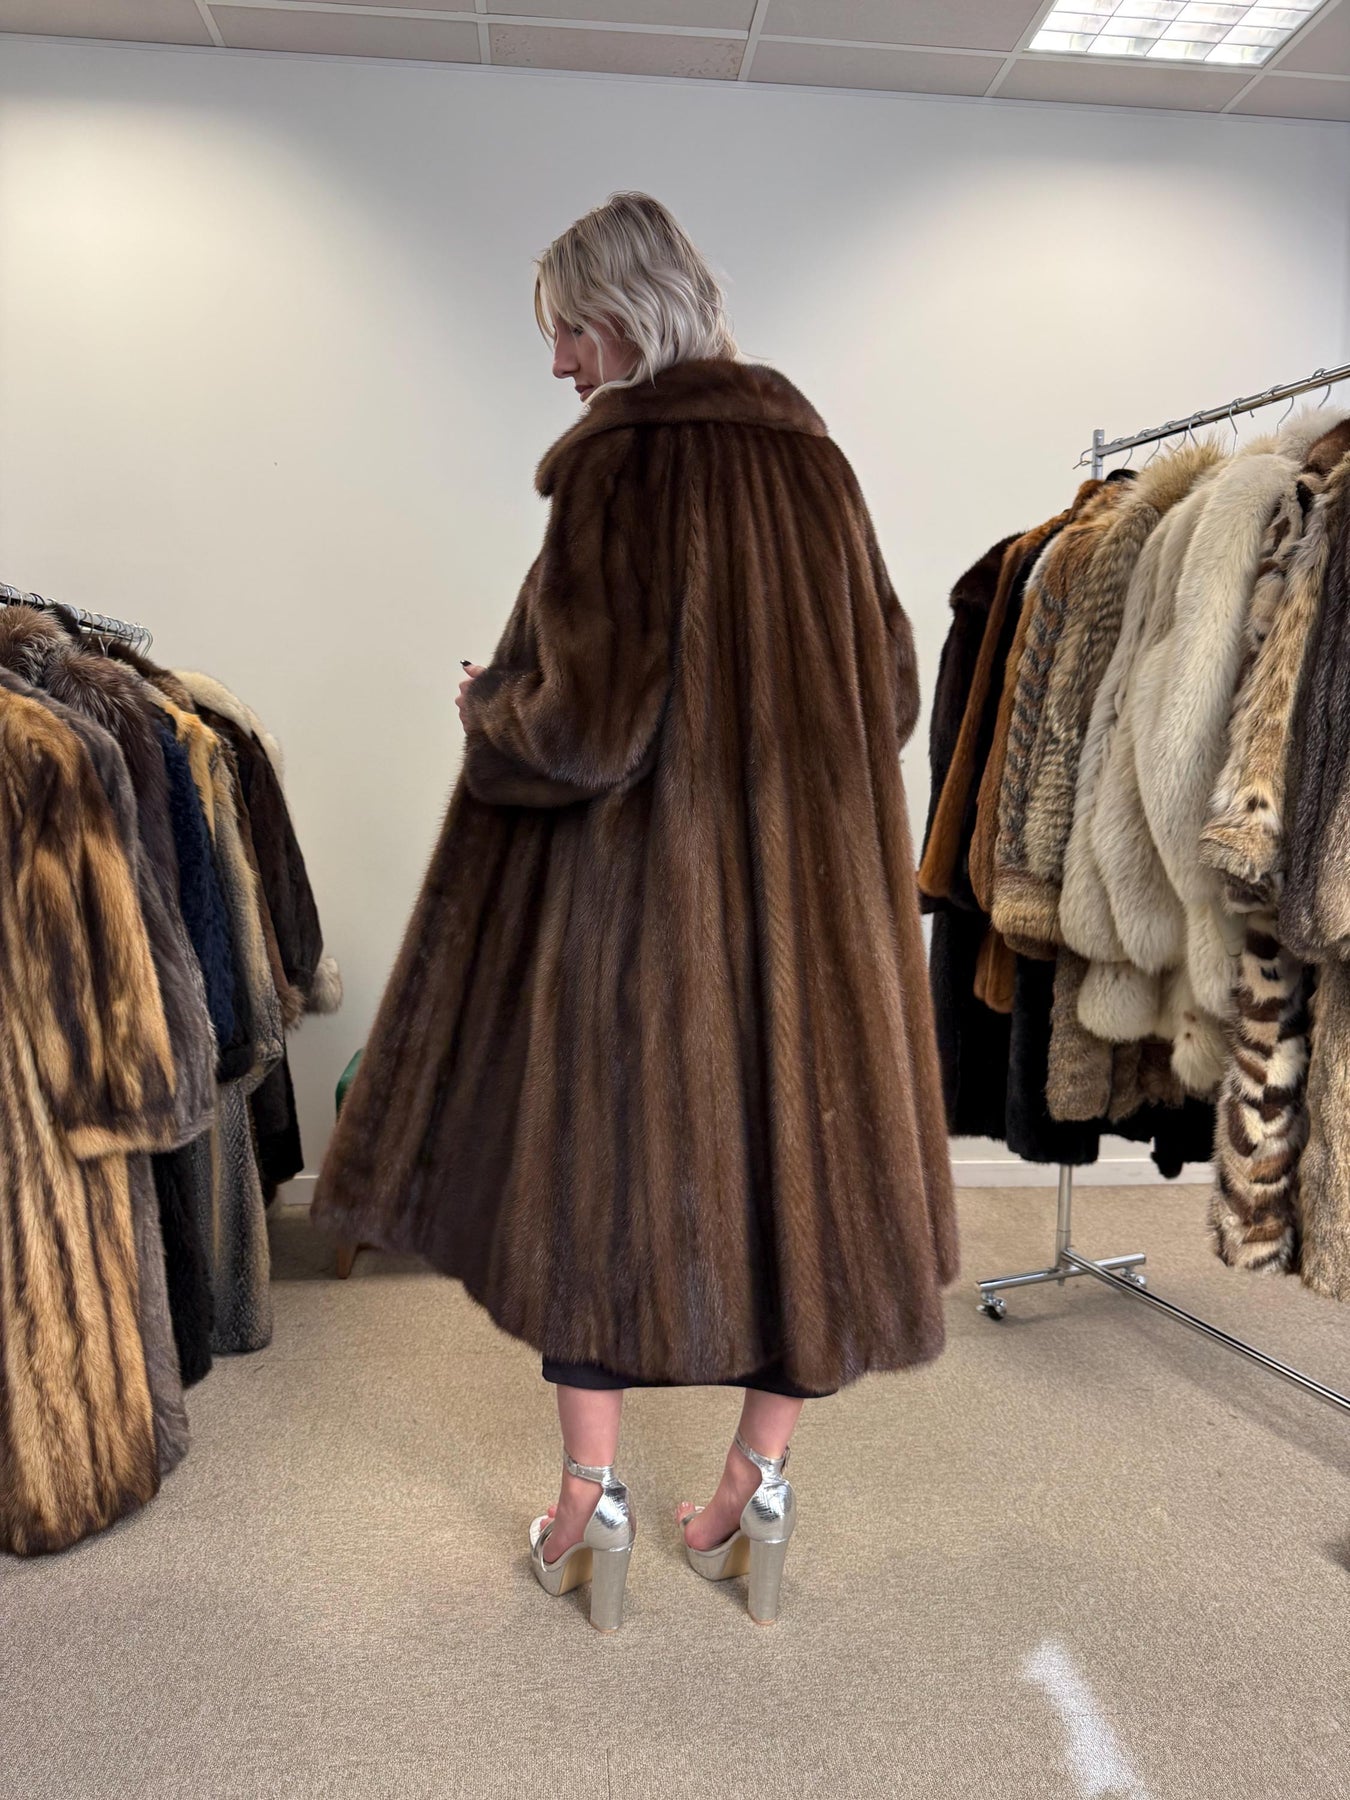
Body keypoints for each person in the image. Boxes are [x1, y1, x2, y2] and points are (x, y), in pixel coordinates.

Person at [312, 192, 957, 1632]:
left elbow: (585, 730)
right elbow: (891, 690)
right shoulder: (815, 463)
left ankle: (587, 1515)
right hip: (811, 927)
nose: (558, 365)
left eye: (568, 332)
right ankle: (753, 1496)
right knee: (799, 1200)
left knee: (591, 1202)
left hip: (640, 922)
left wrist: (490, 708)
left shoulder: (623, 464)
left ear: (624, 318)